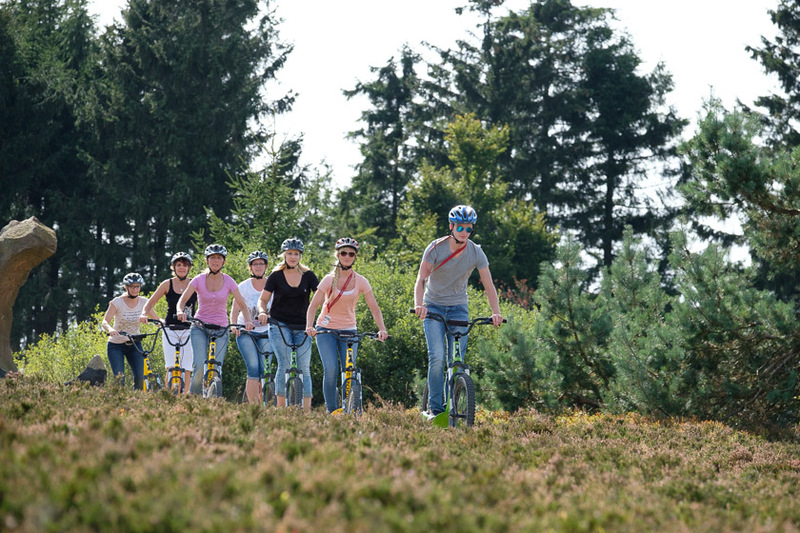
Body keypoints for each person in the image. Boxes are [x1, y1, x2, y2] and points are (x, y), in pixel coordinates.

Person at [412, 205, 504, 417]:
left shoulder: (475, 252)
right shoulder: (435, 248)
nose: (464, 232)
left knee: (457, 361)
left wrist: (496, 312)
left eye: (468, 228)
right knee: (437, 357)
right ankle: (436, 410)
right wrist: (420, 305)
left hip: (459, 309)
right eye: (460, 227)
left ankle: (452, 410)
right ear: (451, 226)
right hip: (433, 307)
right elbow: (421, 280)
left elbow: (488, 285)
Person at [305, 238, 388, 413]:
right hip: (325, 330)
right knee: (331, 370)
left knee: (349, 369)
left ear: (355, 256)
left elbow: (374, 307)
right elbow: (313, 306)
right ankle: (332, 410)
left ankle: (351, 408)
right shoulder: (328, 280)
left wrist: (382, 328)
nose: (347, 256)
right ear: (338, 255)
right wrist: (309, 326)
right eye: (344, 253)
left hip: (349, 330)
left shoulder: (361, 281)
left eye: (351, 253)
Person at [176, 244, 253, 395]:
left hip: (221, 328)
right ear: (207, 261)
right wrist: (180, 310)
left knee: (217, 367)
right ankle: (194, 400)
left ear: (223, 262)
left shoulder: (229, 281)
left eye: (219, 258)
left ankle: (214, 398)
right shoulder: (198, 280)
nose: (215, 261)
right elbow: (182, 300)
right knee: (199, 365)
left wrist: (248, 320)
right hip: (199, 326)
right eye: (212, 258)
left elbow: (242, 304)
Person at [257, 238, 318, 412]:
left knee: (304, 367)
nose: (293, 257)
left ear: (300, 256)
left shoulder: (309, 276)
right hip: (279, 324)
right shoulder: (276, 276)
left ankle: (307, 412)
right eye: (290, 253)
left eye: (296, 254)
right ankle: (281, 410)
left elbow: (321, 296)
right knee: (283, 364)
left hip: (303, 326)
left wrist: (321, 319)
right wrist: (262, 312)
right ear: (284, 255)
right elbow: (263, 299)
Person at [140, 252, 197, 394]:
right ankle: (169, 398)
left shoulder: (194, 284)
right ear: (173, 267)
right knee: (171, 367)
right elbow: (151, 302)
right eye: (178, 265)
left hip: (189, 330)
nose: (182, 268)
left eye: (184, 265)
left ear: (189, 267)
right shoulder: (167, 284)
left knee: (187, 368)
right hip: (170, 329)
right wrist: (145, 314)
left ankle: (184, 399)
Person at [101, 272, 160, 389]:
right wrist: (111, 329)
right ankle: (119, 403)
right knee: (120, 378)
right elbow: (104, 322)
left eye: (137, 286)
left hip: (135, 344)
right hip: (116, 345)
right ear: (126, 287)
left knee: (140, 377)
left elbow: (156, 319)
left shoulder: (144, 302)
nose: (135, 289)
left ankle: (135, 403)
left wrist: (163, 323)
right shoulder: (117, 302)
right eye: (132, 287)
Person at [230, 250, 273, 404]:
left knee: (265, 370)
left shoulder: (271, 285)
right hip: (246, 331)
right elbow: (235, 309)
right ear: (250, 267)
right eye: (255, 264)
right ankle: (254, 407)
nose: (258, 266)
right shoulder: (244, 286)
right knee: (254, 368)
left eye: (261, 263)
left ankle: (265, 404)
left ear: (266, 266)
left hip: (267, 332)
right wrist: (234, 325)